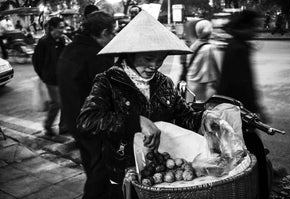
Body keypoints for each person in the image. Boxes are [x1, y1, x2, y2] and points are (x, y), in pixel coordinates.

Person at [77, 10, 233, 199]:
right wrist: (136, 122)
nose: (155, 66)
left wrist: (203, 119)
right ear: (131, 54)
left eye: (160, 59)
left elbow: (184, 116)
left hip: (160, 173)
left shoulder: (164, 83)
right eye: (148, 59)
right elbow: (87, 121)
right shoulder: (107, 81)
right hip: (123, 172)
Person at [57, 11, 115, 199]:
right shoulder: (96, 56)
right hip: (92, 123)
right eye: (112, 33)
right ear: (104, 32)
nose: (113, 37)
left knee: (90, 164)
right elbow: (109, 92)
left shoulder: (71, 48)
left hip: (74, 119)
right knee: (101, 171)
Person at [217, 10, 270, 198]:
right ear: (244, 26)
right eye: (254, 26)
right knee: (251, 156)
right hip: (239, 115)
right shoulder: (237, 48)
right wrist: (254, 111)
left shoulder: (237, 45)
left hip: (238, 113)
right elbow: (242, 85)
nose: (257, 30)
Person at [32, 17, 67, 136]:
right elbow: (36, 61)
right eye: (61, 27)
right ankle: (48, 125)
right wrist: (43, 76)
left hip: (62, 77)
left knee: (65, 101)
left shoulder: (61, 40)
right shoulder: (44, 42)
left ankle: (63, 126)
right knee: (57, 103)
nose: (63, 30)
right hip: (51, 79)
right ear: (53, 28)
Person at [185, 20, 220, 103]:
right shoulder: (209, 48)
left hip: (190, 84)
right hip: (202, 86)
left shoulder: (193, 46)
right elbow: (215, 70)